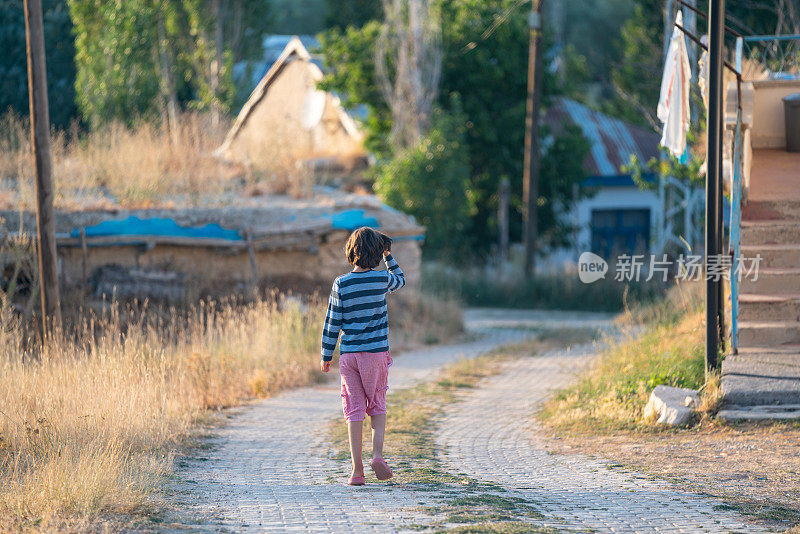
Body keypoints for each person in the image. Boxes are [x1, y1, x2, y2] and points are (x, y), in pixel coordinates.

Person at [320, 226, 406, 486]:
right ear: (377, 253)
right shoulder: (381, 280)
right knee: (377, 404)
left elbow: (332, 321)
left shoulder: (341, 283)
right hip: (376, 354)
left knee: (353, 410)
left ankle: (357, 471)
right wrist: (389, 255)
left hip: (349, 357)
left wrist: (326, 353)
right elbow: (400, 279)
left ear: (350, 252)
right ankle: (377, 455)